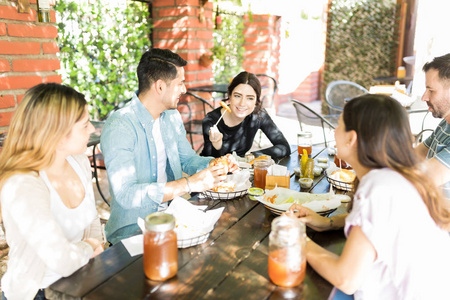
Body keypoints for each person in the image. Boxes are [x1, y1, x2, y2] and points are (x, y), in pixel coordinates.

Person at [289, 94, 450, 299]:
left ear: (352, 138)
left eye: (339, 125)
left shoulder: (380, 187)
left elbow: (346, 279)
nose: (333, 131)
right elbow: (380, 225)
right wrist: (326, 223)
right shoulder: (396, 178)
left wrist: (296, 238)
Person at [100, 48, 235, 245]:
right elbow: (126, 194)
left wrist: (217, 164)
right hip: (133, 232)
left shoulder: (171, 117)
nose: (184, 89)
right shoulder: (120, 125)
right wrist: (189, 184)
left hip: (175, 218)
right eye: (180, 83)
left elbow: (188, 160)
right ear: (160, 87)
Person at [0, 83, 105, 300]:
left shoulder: (78, 161)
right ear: (58, 135)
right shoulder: (23, 184)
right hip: (38, 293)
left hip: (79, 280)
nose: (93, 130)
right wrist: (90, 246)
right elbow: (62, 260)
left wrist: (95, 246)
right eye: (85, 125)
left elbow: (93, 221)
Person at [200, 71, 290, 158]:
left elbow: (284, 147)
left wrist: (254, 155)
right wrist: (218, 146)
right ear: (230, 95)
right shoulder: (211, 120)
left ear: (256, 100)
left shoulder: (258, 115)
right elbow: (210, 162)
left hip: (239, 171)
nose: (242, 104)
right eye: (237, 96)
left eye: (250, 98)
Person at [414, 53, 450, 197]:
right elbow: (415, 155)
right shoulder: (445, 123)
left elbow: (422, 181)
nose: (424, 97)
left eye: (431, 90)